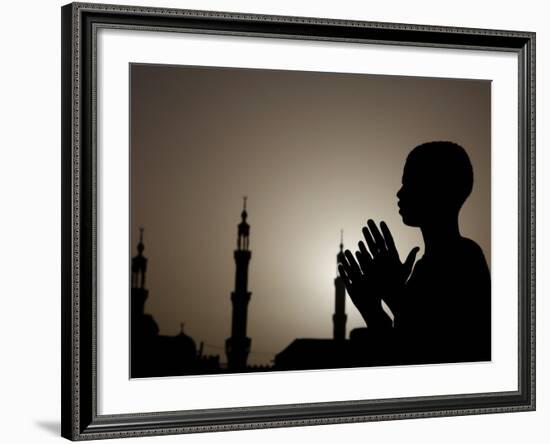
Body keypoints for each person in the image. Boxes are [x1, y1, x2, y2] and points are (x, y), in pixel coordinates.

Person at [338, 141, 491, 365]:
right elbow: (400, 356)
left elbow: (441, 349)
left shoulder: (464, 258)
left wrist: (395, 295)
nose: (400, 192)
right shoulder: (423, 269)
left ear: (437, 188)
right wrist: (373, 310)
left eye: (409, 183)